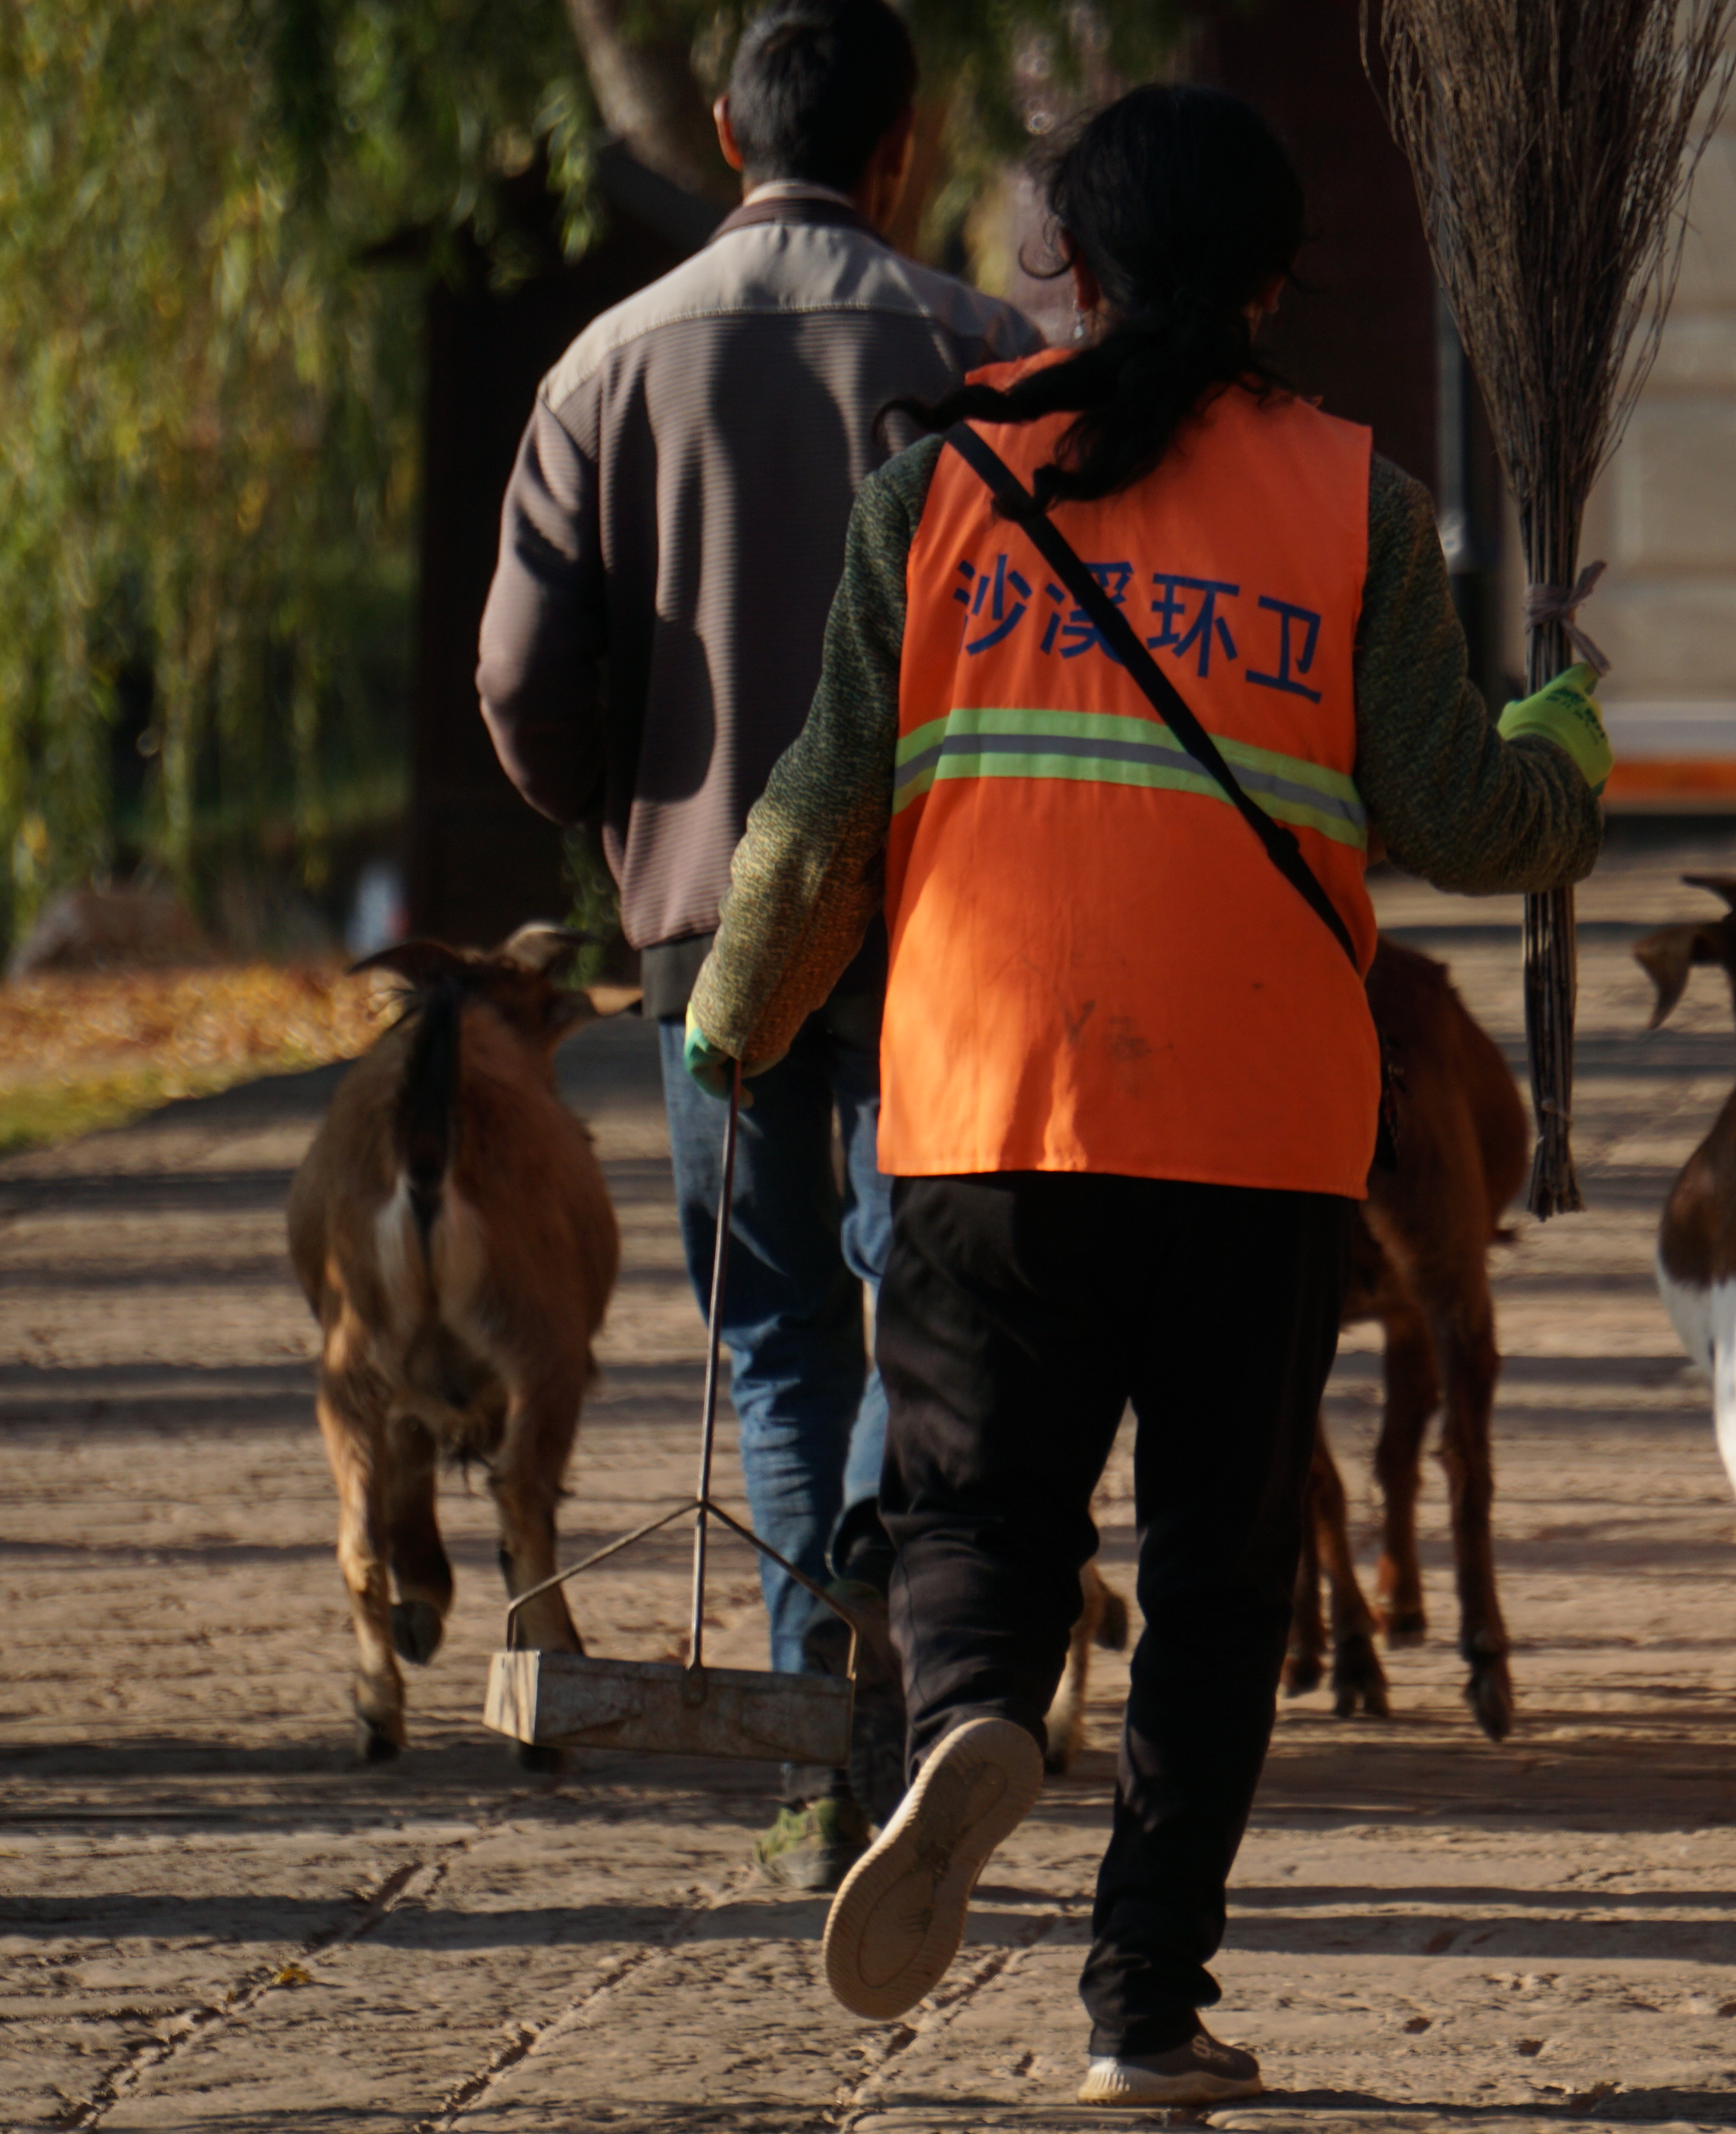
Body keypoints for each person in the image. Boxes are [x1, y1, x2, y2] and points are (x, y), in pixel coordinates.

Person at [686, 83, 1609, 2109]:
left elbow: (824, 811)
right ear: (1276, 282)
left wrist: (731, 1025)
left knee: (973, 1506)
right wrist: (1570, 753)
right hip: (1262, 1127)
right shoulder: (1351, 500)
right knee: (1217, 1562)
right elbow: (1464, 817)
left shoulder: (932, 490)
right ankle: (1143, 2011)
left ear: (1068, 272)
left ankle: (980, 1713)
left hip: (985, 1106)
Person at [475, 0, 1041, 1891]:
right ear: (907, 148)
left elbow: (515, 676)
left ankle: (819, 1740)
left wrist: (625, 808)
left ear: (724, 134)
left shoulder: (603, 366)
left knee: (780, 1328)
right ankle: (891, 1631)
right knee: (924, 1300)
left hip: (703, 924)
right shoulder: (989, 357)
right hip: (943, 918)